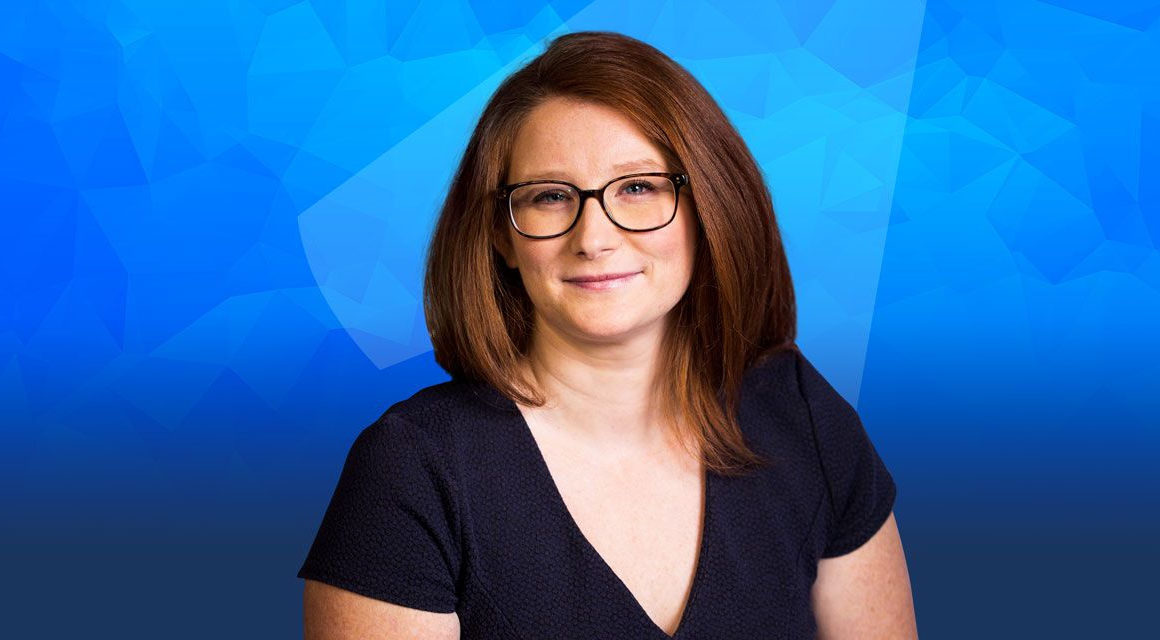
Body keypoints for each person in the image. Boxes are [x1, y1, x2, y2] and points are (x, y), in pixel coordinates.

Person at [298, 31, 916, 639]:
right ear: (501, 236)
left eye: (638, 187)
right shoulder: (413, 469)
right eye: (549, 196)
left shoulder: (800, 416)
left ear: (709, 207)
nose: (593, 239)